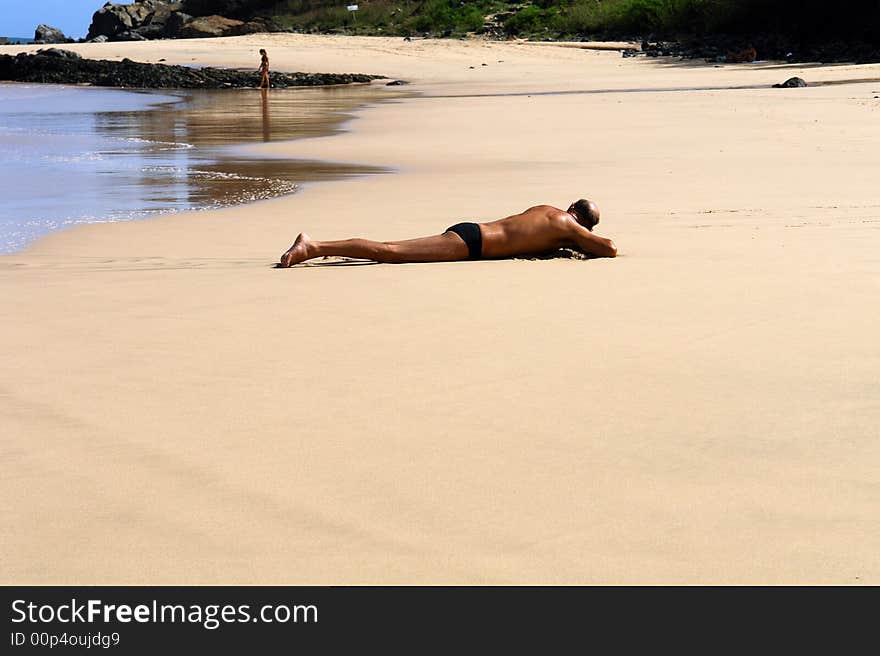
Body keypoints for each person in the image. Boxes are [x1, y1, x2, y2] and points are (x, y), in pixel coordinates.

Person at [278, 199, 617, 267]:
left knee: (390, 250)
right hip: (471, 244)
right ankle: (314, 246)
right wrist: (583, 239)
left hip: (471, 232)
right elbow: (610, 249)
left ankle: (319, 247)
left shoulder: (546, 210)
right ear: (583, 221)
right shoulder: (568, 226)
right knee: (389, 251)